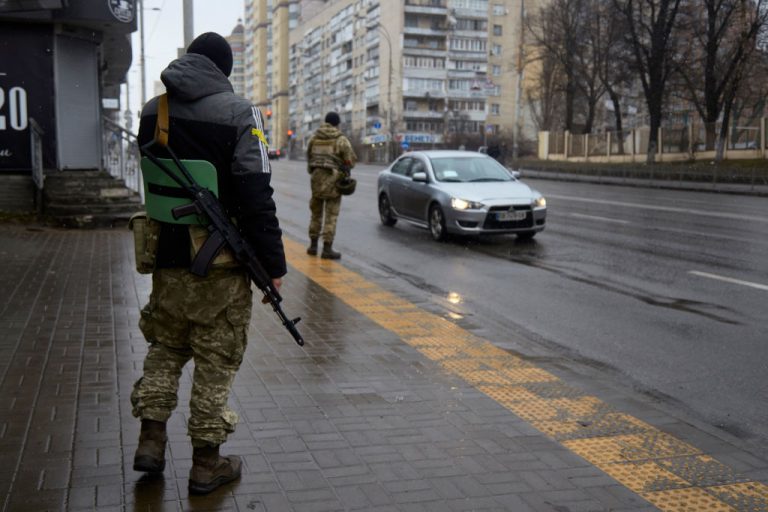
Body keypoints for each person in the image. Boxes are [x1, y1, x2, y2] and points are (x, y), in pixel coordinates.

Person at [132, 32, 287, 495]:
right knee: (216, 358)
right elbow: (257, 197)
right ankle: (206, 463)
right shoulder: (241, 113)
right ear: (225, 70)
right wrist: (272, 264)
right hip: (219, 263)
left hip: (165, 257)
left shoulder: (151, 111)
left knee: (166, 345)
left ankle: (151, 442)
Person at [306, 111, 357, 259]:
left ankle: (313, 246)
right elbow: (350, 160)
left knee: (315, 214)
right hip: (334, 183)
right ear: (337, 123)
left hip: (316, 182)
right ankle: (327, 249)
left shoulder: (314, 138)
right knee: (331, 216)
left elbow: (309, 158)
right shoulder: (340, 140)